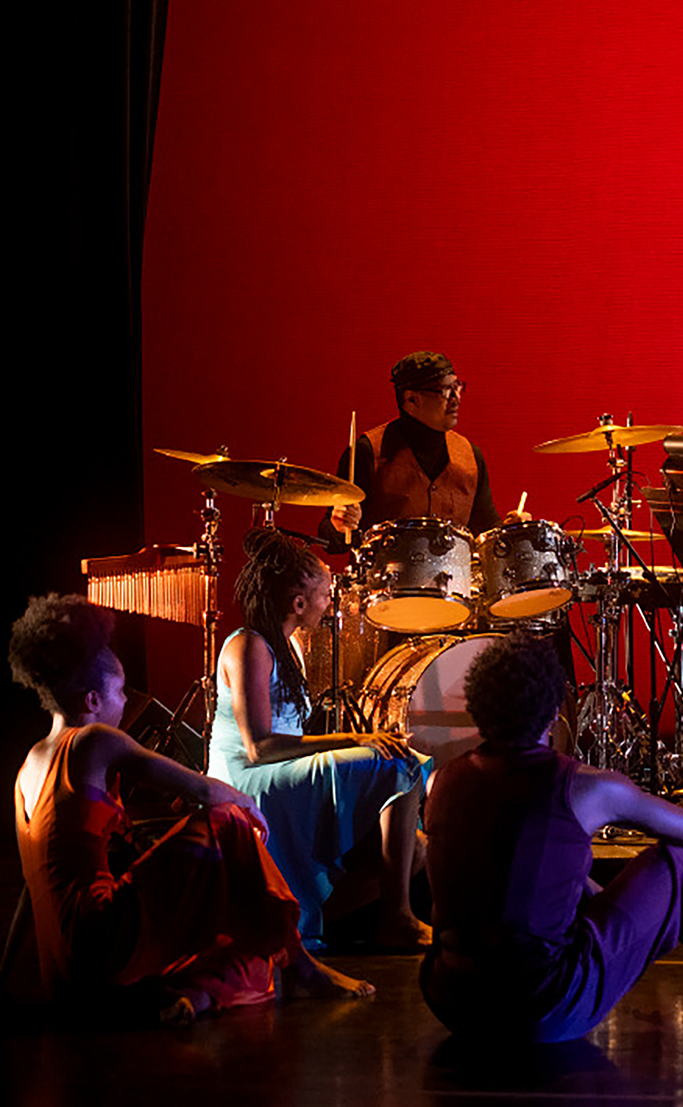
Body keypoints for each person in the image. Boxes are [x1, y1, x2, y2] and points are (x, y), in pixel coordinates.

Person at [419, 633, 683, 1043]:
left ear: (477, 708)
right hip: (541, 1007)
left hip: (455, 1003)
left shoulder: (440, 781)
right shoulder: (584, 786)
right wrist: (666, 914)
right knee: (675, 865)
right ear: (556, 711)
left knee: (552, 882)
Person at [11, 594, 371, 1021]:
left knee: (252, 956)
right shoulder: (93, 740)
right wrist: (244, 814)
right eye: (121, 691)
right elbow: (211, 791)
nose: (126, 701)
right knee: (230, 820)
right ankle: (301, 966)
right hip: (102, 940)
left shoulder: (30, 763)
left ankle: (189, 997)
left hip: (65, 974)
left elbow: (37, 888)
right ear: (91, 701)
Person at [210, 529, 431, 951]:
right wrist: (354, 739)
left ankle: (300, 922)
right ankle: (397, 919)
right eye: (326, 594)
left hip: (278, 769)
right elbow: (259, 748)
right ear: (298, 603)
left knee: (414, 851)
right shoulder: (248, 646)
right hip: (250, 776)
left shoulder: (289, 646)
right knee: (401, 765)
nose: (330, 602)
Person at [318, 350, 519, 547]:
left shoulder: (471, 455)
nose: (456, 398)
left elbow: (485, 530)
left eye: (457, 387)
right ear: (412, 399)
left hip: (457, 579)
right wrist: (339, 528)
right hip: (383, 578)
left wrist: (511, 531)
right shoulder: (366, 452)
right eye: (445, 391)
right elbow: (330, 539)